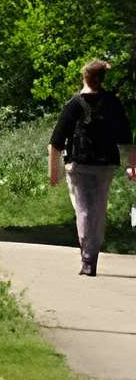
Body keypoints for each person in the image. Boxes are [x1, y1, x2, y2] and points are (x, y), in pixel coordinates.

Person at [50, 60, 132, 278]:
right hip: (105, 165)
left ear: (84, 77)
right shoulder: (112, 103)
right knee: (98, 209)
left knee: (83, 210)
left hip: (78, 165)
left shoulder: (74, 104)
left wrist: (53, 173)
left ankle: (88, 258)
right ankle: (91, 254)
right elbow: (126, 138)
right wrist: (133, 165)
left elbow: (56, 142)